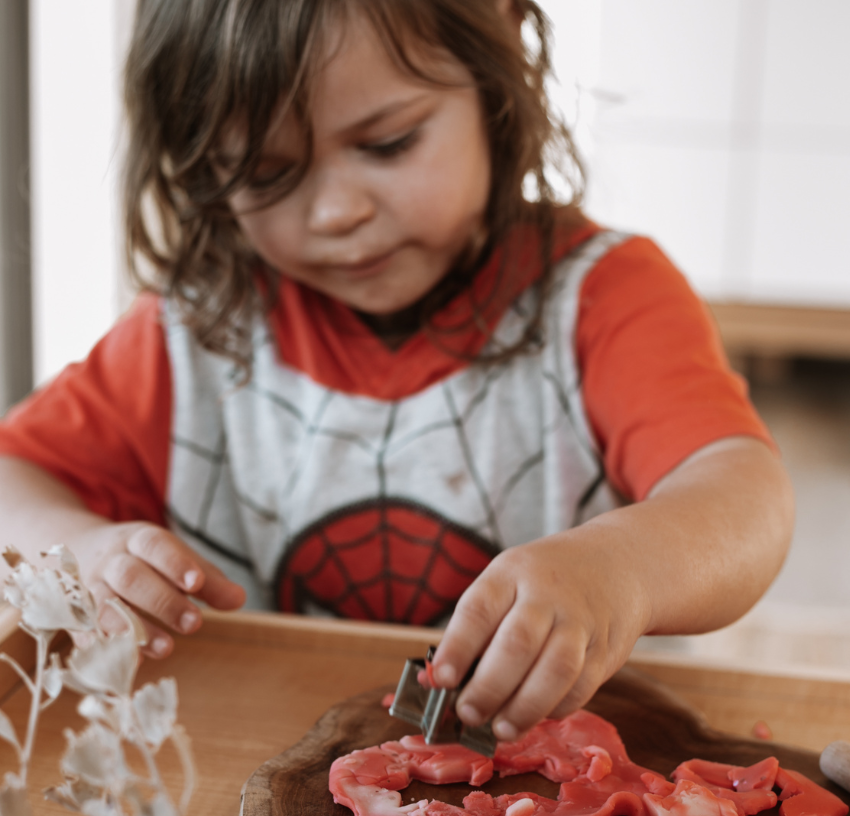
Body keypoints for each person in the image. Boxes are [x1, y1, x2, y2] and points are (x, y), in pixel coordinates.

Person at [0, 0, 793, 745]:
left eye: (387, 143)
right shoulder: (189, 334)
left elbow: (748, 500)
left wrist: (622, 568)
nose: (335, 211)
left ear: (499, 62)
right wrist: (81, 552)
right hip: (271, 767)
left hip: (579, 784)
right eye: (267, 174)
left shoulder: (601, 297)